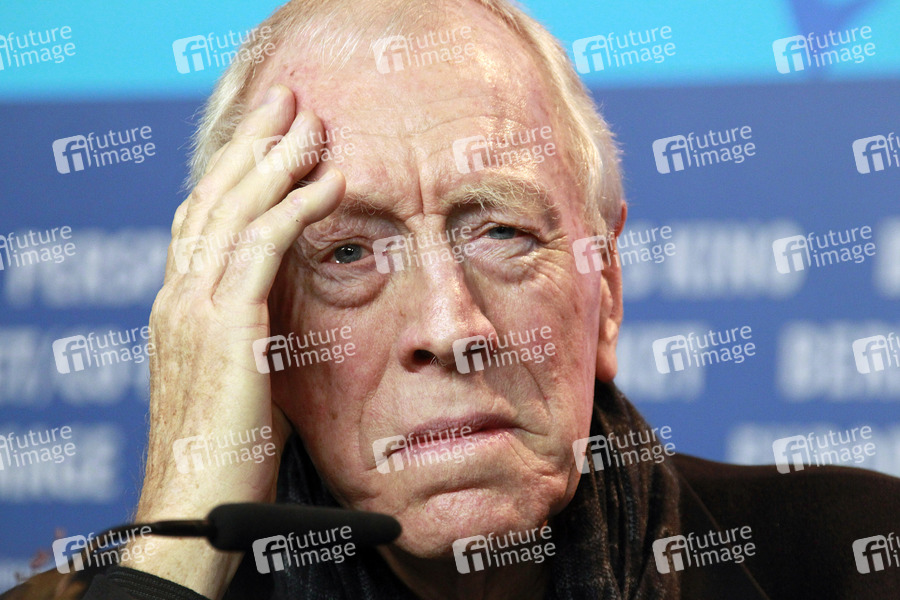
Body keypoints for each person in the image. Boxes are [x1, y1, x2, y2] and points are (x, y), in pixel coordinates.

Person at [5, 0, 899, 598]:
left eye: (502, 233)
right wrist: (172, 554)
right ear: (258, 334)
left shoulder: (861, 557)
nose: (449, 326)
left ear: (607, 290)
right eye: (347, 253)